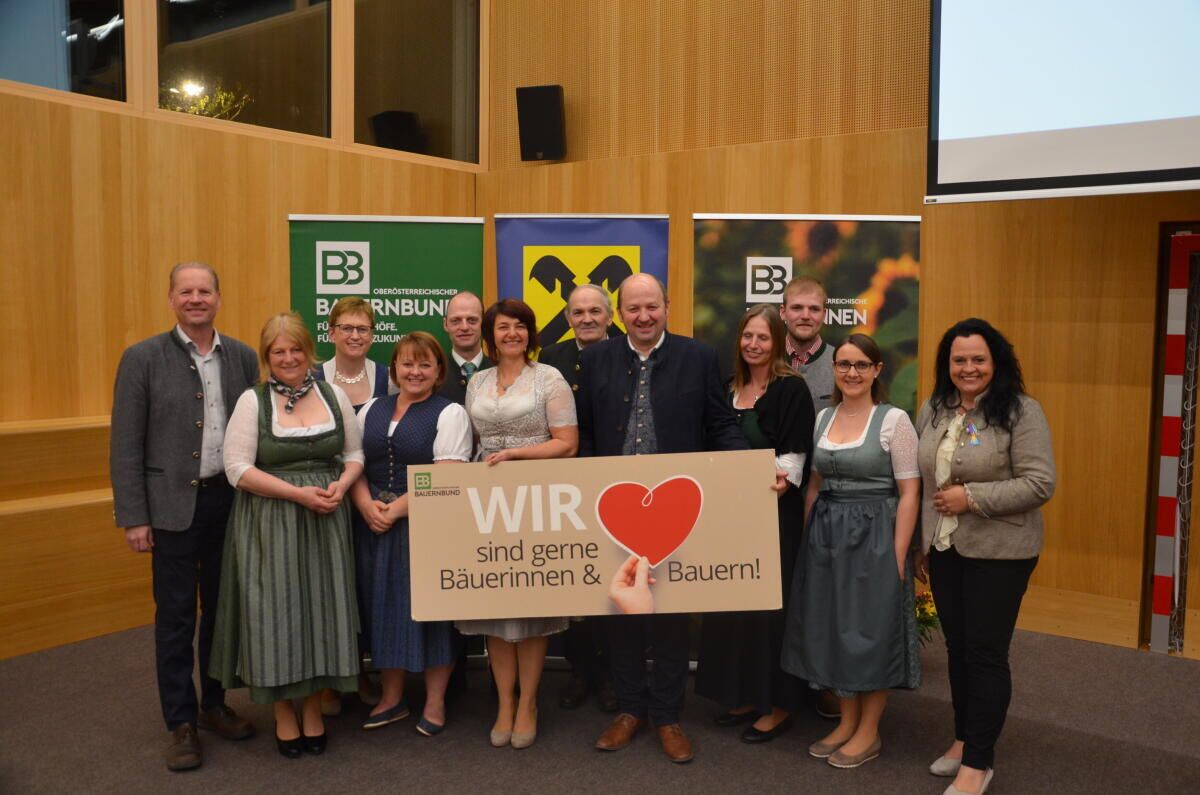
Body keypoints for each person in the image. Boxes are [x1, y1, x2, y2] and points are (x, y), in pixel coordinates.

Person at [576, 273, 750, 764]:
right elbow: (584, 431)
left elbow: (720, 424)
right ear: (620, 314)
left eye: (651, 306)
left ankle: (668, 716)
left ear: (667, 307)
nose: (644, 316)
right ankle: (630, 709)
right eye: (633, 308)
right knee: (619, 612)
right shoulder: (596, 359)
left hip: (675, 511)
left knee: (671, 612)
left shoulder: (699, 357)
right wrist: (586, 482)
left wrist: (753, 466)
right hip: (612, 508)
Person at [110, 262, 259, 771]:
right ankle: (180, 722)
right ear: (172, 298)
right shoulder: (142, 358)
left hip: (229, 504)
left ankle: (213, 704)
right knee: (175, 618)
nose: (196, 299)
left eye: (204, 291)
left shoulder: (242, 356)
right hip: (170, 509)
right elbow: (125, 443)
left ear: (218, 298)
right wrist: (134, 516)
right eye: (186, 291)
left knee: (221, 611)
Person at [209, 312, 364, 759]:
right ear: (267, 356)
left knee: (322, 610)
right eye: (279, 351)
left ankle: (313, 708)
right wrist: (298, 495)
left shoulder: (333, 394)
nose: (289, 358)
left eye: (296, 349)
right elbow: (237, 469)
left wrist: (342, 485)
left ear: (309, 351)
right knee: (275, 615)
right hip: (270, 520)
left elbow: (354, 454)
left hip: (326, 519)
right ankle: (282, 713)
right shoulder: (252, 402)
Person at [915, 318, 1055, 795]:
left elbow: (1039, 483)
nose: (968, 368)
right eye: (959, 360)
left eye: (979, 359)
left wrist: (970, 498)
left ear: (997, 362)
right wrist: (921, 544)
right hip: (945, 548)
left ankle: (979, 761)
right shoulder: (934, 408)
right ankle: (963, 739)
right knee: (958, 649)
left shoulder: (1021, 411)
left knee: (985, 653)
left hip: (1001, 552)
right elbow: (924, 483)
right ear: (947, 364)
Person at [781, 333, 921, 770]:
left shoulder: (894, 421)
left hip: (875, 534)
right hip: (827, 536)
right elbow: (814, 485)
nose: (852, 373)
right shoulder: (823, 417)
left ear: (877, 370)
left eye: (861, 365)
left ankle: (869, 730)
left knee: (870, 633)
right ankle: (846, 722)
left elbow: (910, 492)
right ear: (834, 369)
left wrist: (898, 554)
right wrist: (808, 541)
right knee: (835, 628)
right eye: (844, 364)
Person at [456, 298, 579, 750]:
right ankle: (504, 703)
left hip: (535, 497)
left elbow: (567, 443)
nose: (512, 334)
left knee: (530, 605)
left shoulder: (550, 378)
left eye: (520, 326)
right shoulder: (477, 381)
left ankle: (528, 703)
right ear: (491, 336)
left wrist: (515, 455)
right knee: (494, 604)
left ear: (530, 333)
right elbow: (472, 440)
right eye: (503, 327)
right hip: (486, 501)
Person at [696, 305, 815, 744]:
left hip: (773, 514)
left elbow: (795, 459)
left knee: (770, 611)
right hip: (728, 516)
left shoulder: (791, 389)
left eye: (763, 337)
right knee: (734, 606)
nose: (753, 344)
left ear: (778, 342)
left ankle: (779, 705)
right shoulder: (726, 388)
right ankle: (744, 695)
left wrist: (771, 484)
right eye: (747, 336)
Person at [351, 332, 472, 736]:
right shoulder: (372, 408)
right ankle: (392, 697)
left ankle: (435, 701)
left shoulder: (450, 413)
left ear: (438, 372)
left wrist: (395, 510)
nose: (414, 372)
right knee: (382, 608)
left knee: (431, 613)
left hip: (426, 525)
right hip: (372, 523)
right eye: (407, 363)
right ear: (394, 369)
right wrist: (366, 504)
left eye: (424, 364)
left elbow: (447, 474)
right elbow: (353, 462)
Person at [538, 283, 619, 712]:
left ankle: (612, 675)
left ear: (609, 316)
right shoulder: (552, 357)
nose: (586, 318)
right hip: (565, 483)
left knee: (611, 581)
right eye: (578, 312)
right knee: (574, 579)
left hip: (614, 481)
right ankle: (581, 670)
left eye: (594, 311)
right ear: (568, 317)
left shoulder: (627, 352)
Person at [314, 296, 397, 409]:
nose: (355, 336)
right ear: (332, 334)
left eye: (362, 329)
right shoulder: (312, 379)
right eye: (347, 328)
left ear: (371, 335)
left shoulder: (389, 380)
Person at [780, 276, 835, 411]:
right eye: (797, 308)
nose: (805, 316)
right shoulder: (764, 360)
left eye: (814, 309)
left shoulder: (841, 363)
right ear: (783, 312)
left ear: (824, 314)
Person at [438, 291, 495, 404]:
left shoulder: (501, 372)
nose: (464, 327)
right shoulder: (434, 373)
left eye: (472, 320)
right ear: (445, 324)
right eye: (456, 321)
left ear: (483, 323)